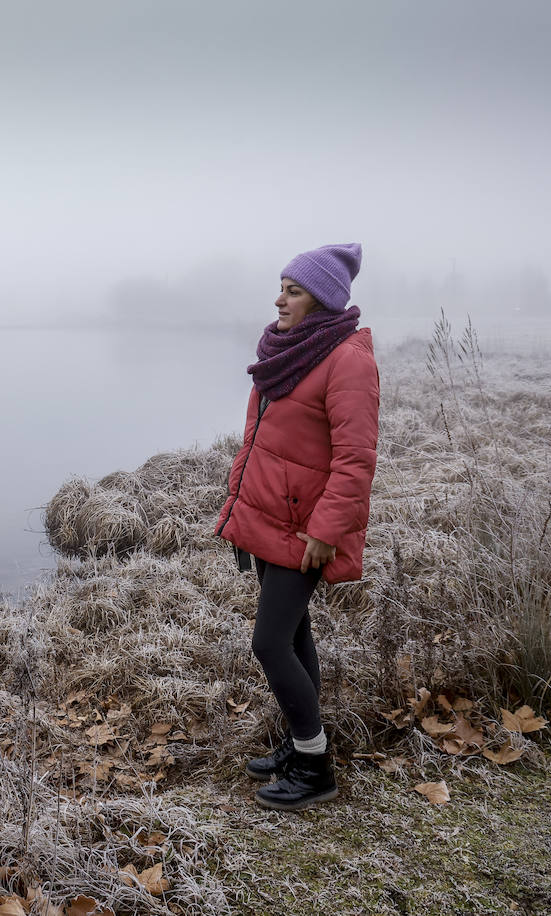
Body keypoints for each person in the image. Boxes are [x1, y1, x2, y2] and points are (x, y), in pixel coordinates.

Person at [214, 242, 379, 811]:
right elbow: (256, 440)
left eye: (293, 290)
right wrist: (239, 511)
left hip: (306, 530)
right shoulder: (283, 350)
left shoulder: (347, 359)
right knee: (293, 634)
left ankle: (314, 767)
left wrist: (326, 531)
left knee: (269, 643)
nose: (279, 299)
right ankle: (301, 743)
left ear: (323, 301)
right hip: (271, 517)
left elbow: (355, 459)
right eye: (281, 286)